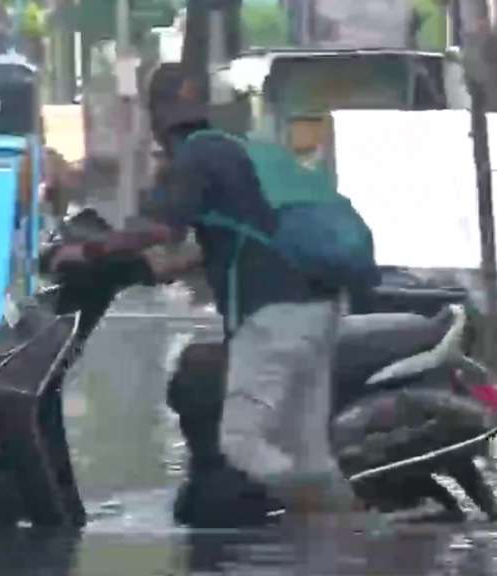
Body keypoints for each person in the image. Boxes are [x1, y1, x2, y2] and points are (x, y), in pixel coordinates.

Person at [47, 68, 357, 516]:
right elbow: (232, 236)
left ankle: (322, 517)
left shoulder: (197, 158)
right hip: (305, 309)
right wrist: (159, 270)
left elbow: (156, 227)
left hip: (277, 318)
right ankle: (306, 517)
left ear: (157, 118)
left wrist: (88, 249)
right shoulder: (230, 150)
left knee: (219, 412)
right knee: (282, 436)